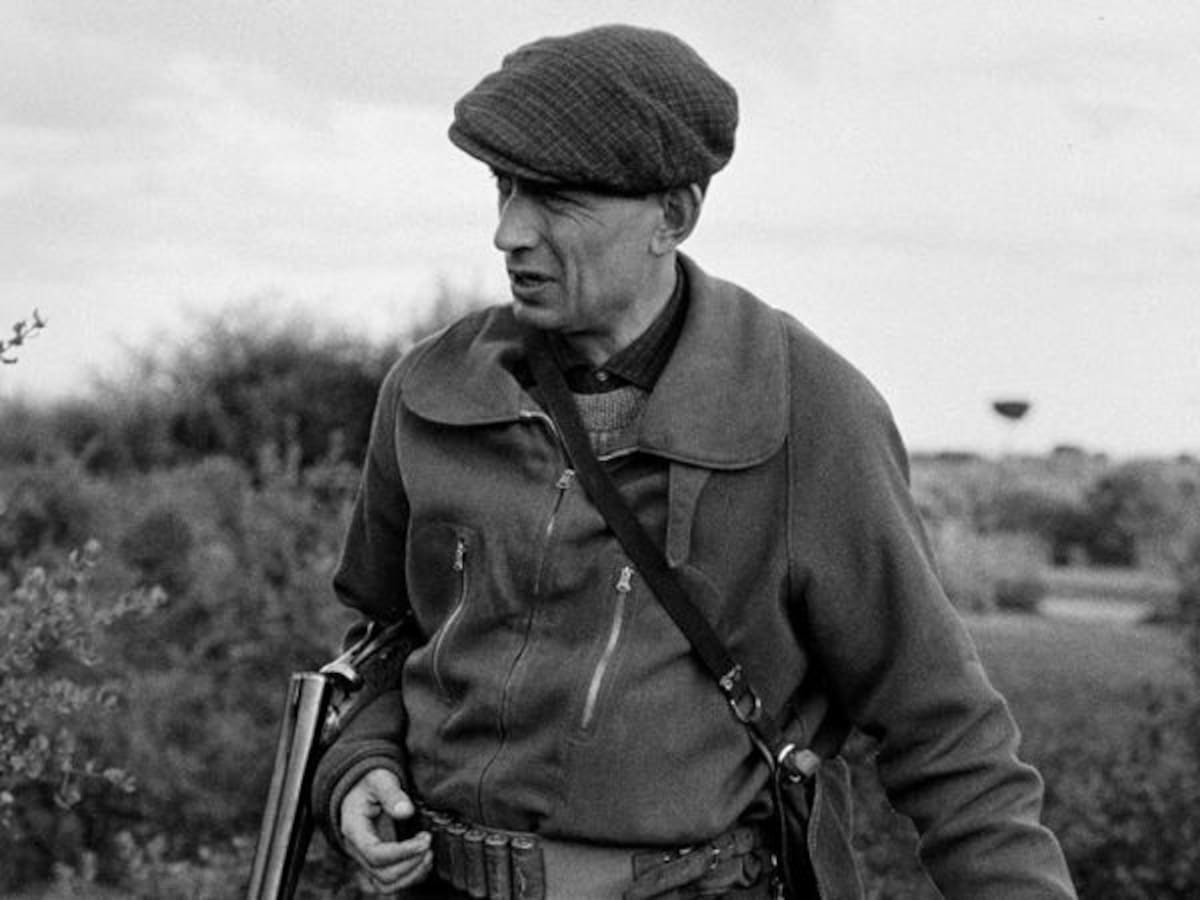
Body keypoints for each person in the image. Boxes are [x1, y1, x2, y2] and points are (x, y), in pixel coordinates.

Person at [311, 23, 1076, 900]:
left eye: (555, 199)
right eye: (504, 186)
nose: (508, 231)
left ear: (673, 216)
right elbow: (384, 637)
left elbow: (944, 727)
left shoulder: (807, 411)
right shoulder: (431, 391)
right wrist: (360, 759)